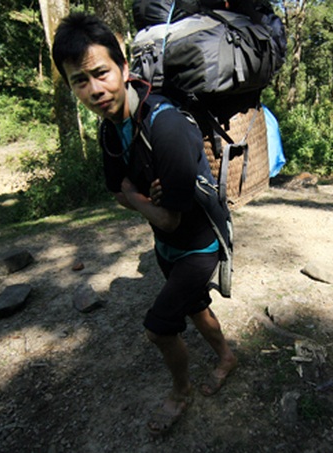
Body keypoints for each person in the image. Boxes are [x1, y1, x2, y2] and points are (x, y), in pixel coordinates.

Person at [51, 13, 237, 436]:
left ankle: (180, 391)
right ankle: (226, 356)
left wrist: (136, 197)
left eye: (101, 73)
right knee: (193, 306)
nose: (95, 90)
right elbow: (117, 191)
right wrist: (138, 198)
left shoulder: (166, 126)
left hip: (200, 243)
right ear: (70, 86)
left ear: (123, 69)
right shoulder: (111, 128)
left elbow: (166, 217)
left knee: (158, 328)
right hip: (168, 246)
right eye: (80, 81)